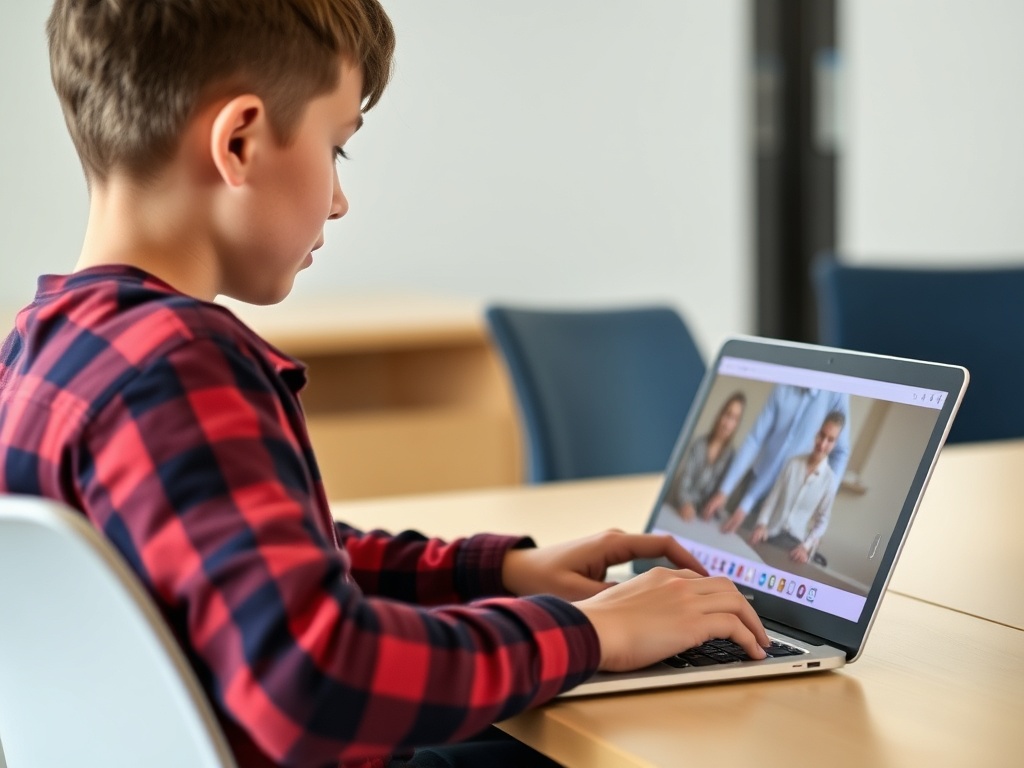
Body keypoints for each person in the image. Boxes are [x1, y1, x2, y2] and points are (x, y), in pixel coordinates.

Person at [0, 2, 770, 768]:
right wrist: (596, 633)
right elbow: (313, 676)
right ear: (238, 141)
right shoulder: (179, 366)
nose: (339, 200)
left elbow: (264, 561)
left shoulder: (44, 344)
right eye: (338, 149)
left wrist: (497, 572)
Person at [702, 384, 850, 535]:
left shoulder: (837, 392)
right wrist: (724, 490)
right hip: (753, 484)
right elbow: (755, 438)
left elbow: (840, 452)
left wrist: (821, 499)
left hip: (785, 504)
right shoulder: (784, 383)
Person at [749, 411, 846, 564]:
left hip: (794, 546)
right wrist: (762, 524)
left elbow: (822, 521)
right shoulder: (793, 464)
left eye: (830, 440)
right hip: (769, 535)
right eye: (822, 435)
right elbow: (772, 499)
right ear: (817, 432)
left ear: (835, 443)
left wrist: (806, 547)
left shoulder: (829, 481)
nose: (822, 444)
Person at [665, 392, 746, 520]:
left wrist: (716, 509)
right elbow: (683, 482)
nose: (727, 423)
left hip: (702, 520)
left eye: (734, 419)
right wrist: (686, 503)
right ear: (720, 415)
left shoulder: (731, 458)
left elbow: (721, 498)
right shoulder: (699, 445)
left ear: (737, 425)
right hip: (677, 510)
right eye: (727, 414)